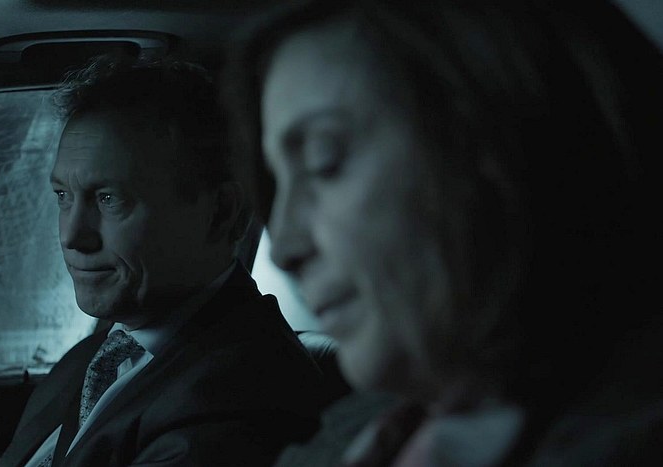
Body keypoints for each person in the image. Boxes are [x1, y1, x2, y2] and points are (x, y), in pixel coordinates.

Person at [223, 0, 663, 464]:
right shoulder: (361, 429)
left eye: (323, 161)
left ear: (506, 141)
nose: (284, 248)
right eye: (277, 185)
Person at [0, 58, 327, 467]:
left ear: (221, 213)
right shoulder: (87, 359)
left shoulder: (243, 394)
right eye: (63, 196)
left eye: (109, 199)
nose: (71, 236)